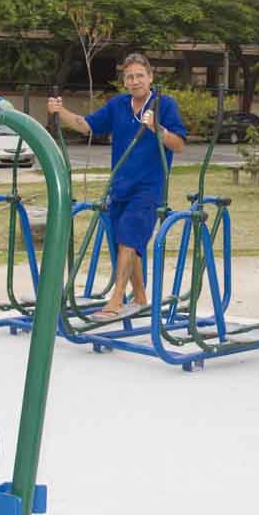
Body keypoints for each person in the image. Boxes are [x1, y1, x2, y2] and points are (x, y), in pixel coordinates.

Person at [46, 53, 186, 321]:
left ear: (150, 77)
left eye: (140, 76)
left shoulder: (164, 105)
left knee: (128, 239)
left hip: (149, 187)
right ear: (124, 81)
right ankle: (141, 297)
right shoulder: (118, 105)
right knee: (125, 243)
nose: (135, 81)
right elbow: (86, 126)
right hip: (120, 185)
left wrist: (158, 129)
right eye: (129, 77)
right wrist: (59, 111)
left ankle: (117, 298)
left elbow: (179, 145)